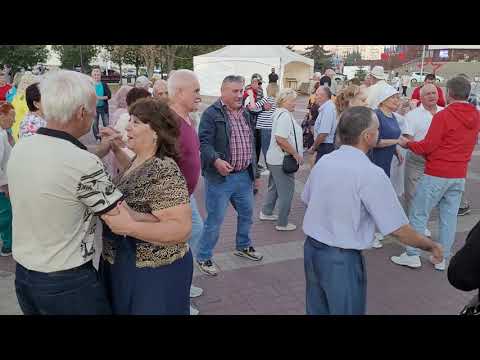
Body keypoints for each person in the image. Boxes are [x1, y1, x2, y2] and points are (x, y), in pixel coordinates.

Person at [302, 106, 443, 315]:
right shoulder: (370, 173)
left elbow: (307, 199)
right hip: (341, 259)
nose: (379, 133)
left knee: (317, 309)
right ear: (367, 136)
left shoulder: (325, 161)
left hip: (312, 250)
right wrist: (430, 246)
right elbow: (398, 230)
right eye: (377, 129)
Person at [8, 70, 124, 315]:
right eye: (93, 109)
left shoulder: (23, 145)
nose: (94, 114)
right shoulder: (82, 163)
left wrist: (103, 149)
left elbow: (64, 170)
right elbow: (122, 220)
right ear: (82, 112)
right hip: (67, 283)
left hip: (26, 276)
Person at [99, 98, 193, 315]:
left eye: (137, 122)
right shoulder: (140, 159)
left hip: (152, 273)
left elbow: (182, 229)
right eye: (129, 120)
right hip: (126, 264)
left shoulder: (164, 169)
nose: (128, 126)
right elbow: (137, 179)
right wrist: (115, 148)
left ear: (156, 132)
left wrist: (129, 227)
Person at [392, 76, 480, 271]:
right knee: (448, 217)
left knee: (418, 213)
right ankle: (442, 258)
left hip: (437, 173)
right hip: (458, 175)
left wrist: (408, 144)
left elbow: (428, 146)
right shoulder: (476, 115)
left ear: (448, 93)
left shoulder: (443, 116)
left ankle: (412, 254)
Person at [197, 75, 263, 276]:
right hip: (220, 179)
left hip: (244, 176)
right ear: (222, 92)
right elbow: (204, 143)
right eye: (234, 91)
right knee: (215, 221)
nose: (239, 95)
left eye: (240, 91)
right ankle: (204, 256)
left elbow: (251, 146)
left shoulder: (246, 113)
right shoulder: (211, 113)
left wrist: (256, 172)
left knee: (247, 214)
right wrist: (216, 160)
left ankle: (243, 246)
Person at [167, 69, 204, 315]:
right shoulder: (170, 123)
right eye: (196, 91)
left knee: (195, 233)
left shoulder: (188, 118)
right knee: (180, 246)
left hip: (186, 194)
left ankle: (184, 284)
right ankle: (177, 297)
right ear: (179, 93)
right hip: (175, 198)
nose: (200, 96)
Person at [401, 83, 443, 238]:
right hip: (416, 159)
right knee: (412, 193)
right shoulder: (412, 116)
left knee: (430, 195)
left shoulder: (445, 112)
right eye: (428, 94)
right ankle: (412, 227)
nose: (432, 96)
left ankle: (420, 224)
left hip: (438, 160)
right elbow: (407, 140)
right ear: (420, 97)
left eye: (434, 93)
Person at [260, 88, 303, 231]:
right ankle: (282, 222)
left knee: (274, 187)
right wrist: (295, 153)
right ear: (284, 101)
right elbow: (281, 138)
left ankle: (266, 212)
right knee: (287, 192)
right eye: (292, 100)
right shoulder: (285, 116)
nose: (295, 103)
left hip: (273, 159)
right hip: (281, 160)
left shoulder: (279, 113)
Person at [249, 82, 279, 161]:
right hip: (272, 128)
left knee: (265, 150)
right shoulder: (277, 101)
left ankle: (270, 168)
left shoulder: (266, 99)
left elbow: (252, 107)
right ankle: (271, 167)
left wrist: (251, 96)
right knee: (270, 149)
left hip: (263, 128)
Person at [0, 102, 15, 256]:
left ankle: (8, 244)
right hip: (2, 185)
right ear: (2, 116)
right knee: (5, 215)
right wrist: (3, 186)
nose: (14, 121)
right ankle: (7, 245)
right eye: (11, 117)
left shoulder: (3, 133)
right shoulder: (0, 135)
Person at [309, 86, 337, 163]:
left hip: (326, 146)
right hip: (325, 145)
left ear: (323, 96)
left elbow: (323, 133)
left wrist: (314, 147)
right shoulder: (327, 107)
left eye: (317, 95)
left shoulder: (328, 109)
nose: (315, 97)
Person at [11, 72, 38, 140]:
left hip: (23, 128)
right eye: (23, 82)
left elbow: (30, 115)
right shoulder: (17, 96)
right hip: (13, 126)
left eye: (27, 83)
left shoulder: (30, 99)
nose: (24, 84)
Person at [91, 67, 112, 142]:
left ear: (100, 76)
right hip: (93, 108)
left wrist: (99, 97)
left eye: (98, 74)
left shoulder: (104, 85)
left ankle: (107, 137)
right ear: (92, 75)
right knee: (94, 124)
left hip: (103, 108)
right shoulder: (89, 85)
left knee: (106, 123)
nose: (96, 76)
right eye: (95, 74)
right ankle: (98, 138)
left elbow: (109, 96)